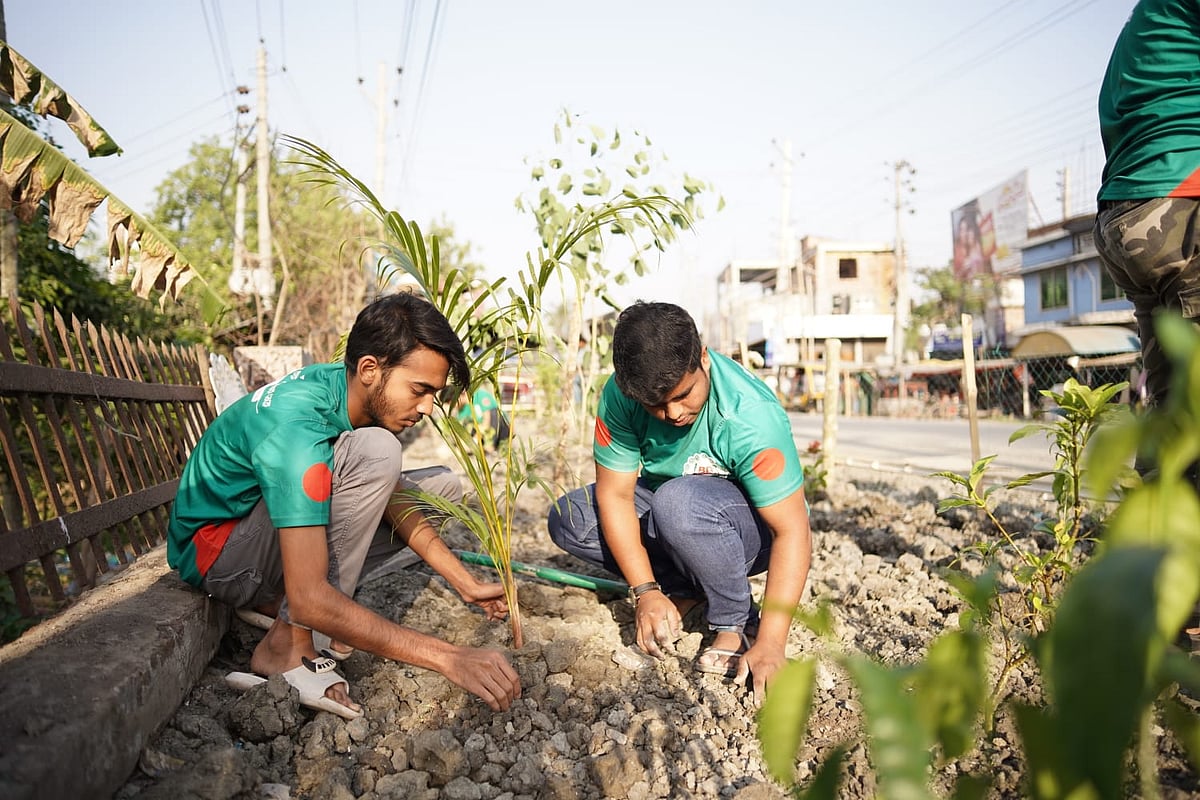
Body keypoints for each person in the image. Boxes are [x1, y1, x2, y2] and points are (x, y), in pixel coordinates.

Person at [167, 292, 521, 719]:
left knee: (441, 488)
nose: (428, 408)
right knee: (377, 453)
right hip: (219, 554)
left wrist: (466, 584)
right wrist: (448, 657)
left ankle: (280, 604)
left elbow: (390, 496)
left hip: (258, 537)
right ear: (371, 368)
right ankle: (286, 646)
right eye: (420, 390)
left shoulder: (347, 390)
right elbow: (310, 597)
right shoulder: (298, 428)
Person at [546, 301, 812, 698]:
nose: (671, 413)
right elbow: (616, 496)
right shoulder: (621, 395)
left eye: (683, 395)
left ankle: (735, 624)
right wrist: (645, 591)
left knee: (678, 503)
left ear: (703, 357)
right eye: (654, 404)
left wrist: (773, 642)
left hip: (747, 532)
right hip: (675, 511)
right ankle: (685, 587)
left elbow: (792, 530)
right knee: (573, 517)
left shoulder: (749, 415)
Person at [1093, 0, 1200, 484]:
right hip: (1179, 202)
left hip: (1126, 218)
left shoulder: (1148, 21)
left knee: (1170, 406)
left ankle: (1151, 548)